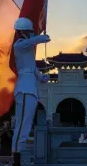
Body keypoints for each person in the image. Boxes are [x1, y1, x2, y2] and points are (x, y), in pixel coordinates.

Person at [11, 17, 51, 166]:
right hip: (24, 89)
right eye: (30, 32)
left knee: (26, 125)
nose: (32, 34)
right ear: (23, 33)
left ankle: (19, 155)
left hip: (31, 89)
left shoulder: (28, 54)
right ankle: (16, 158)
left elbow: (35, 70)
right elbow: (30, 42)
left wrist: (42, 77)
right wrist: (41, 38)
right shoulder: (19, 45)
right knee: (21, 125)